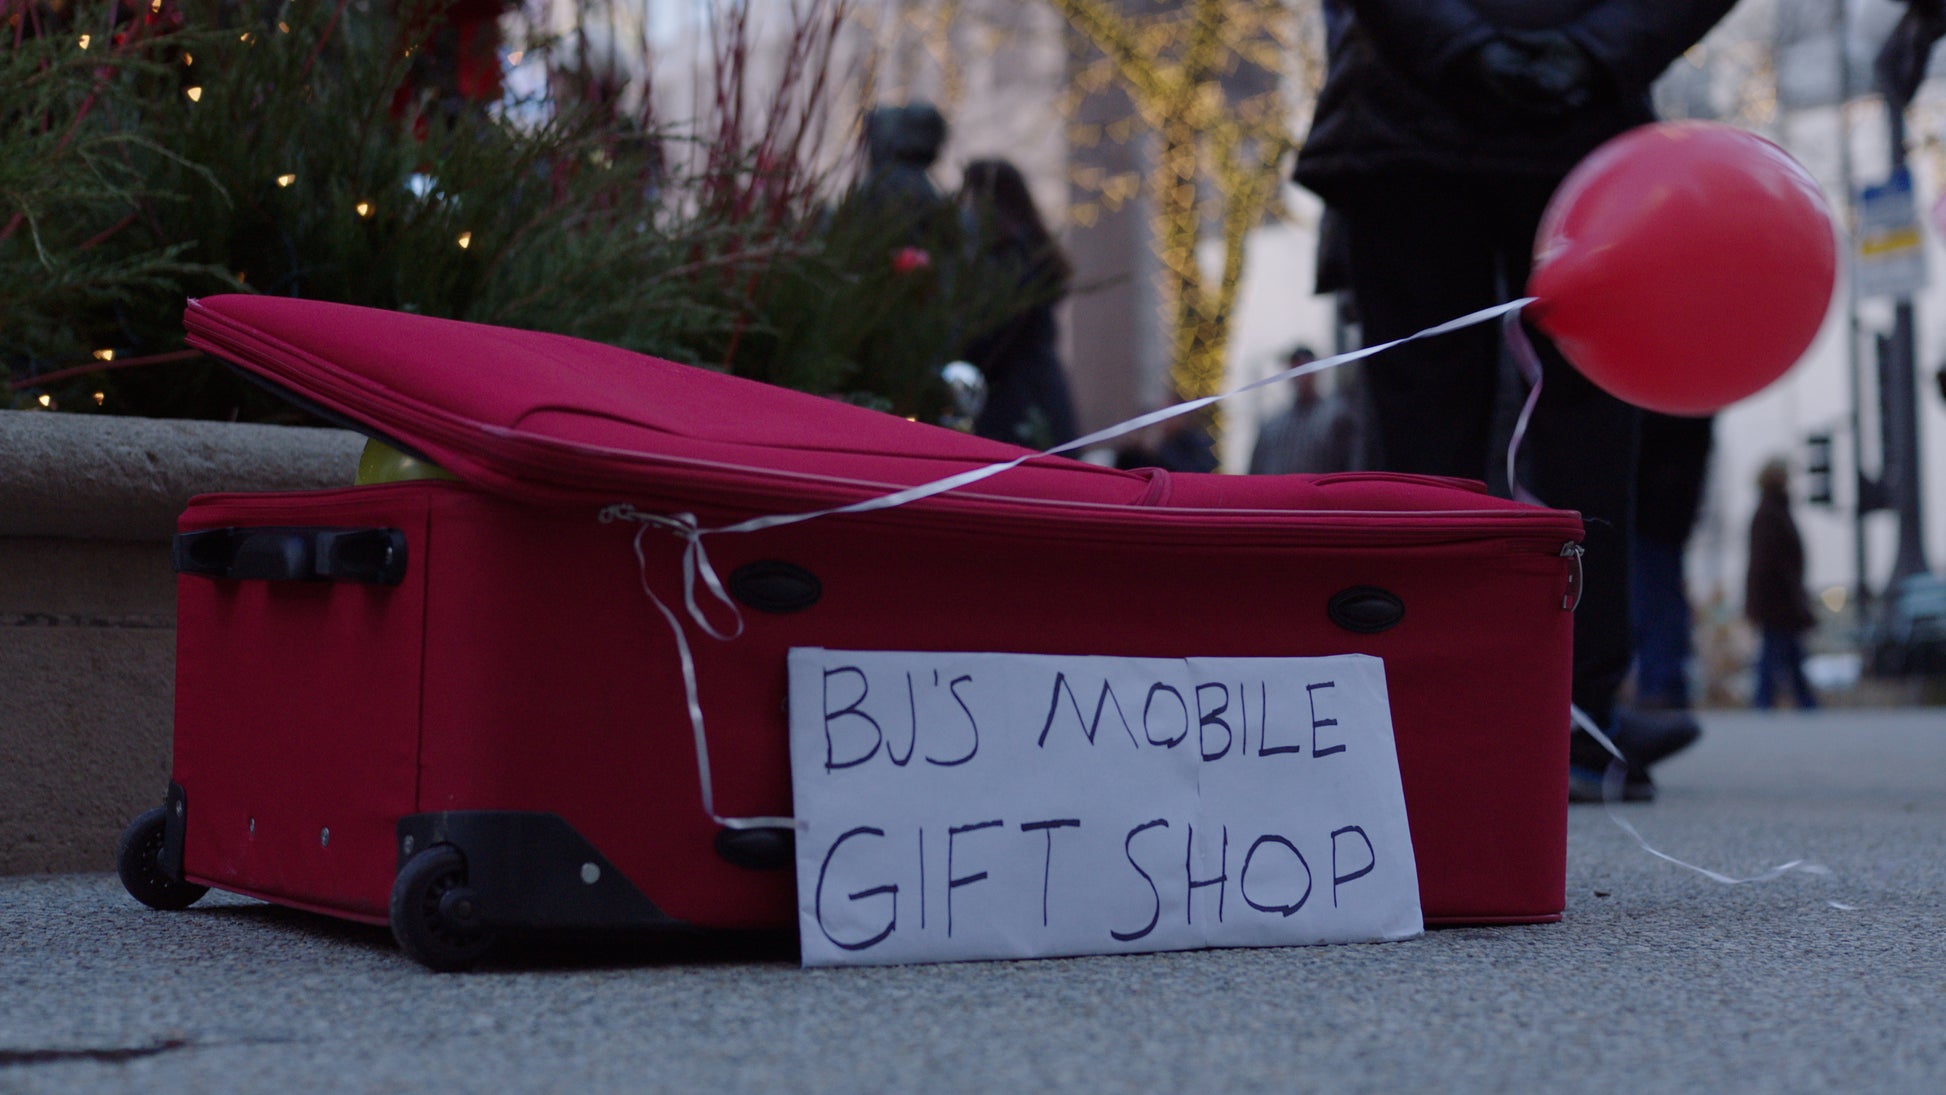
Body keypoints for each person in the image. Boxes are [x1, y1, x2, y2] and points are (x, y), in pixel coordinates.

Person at [1292, 1, 1734, 801]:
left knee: (1426, 431)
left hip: (1408, 101)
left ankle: (1424, 706)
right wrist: (1596, 51)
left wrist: (1459, 46)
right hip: (1569, 117)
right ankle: (1577, 709)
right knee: (1587, 418)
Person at [958, 159, 1081, 450]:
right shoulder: (1029, 252)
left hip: (1017, 404)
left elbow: (996, 333)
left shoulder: (1011, 259)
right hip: (1037, 397)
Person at [1630, 412, 1714, 710]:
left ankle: (1661, 684)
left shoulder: (1662, 404)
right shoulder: (1694, 401)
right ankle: (1664, 682)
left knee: (1653, 600)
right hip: (1670, 513)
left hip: (1651, 511)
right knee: (1662, 597)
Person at [1745, 458, 1820, 710]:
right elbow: (1769, 565)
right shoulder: (1770, 514)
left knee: (1785, 654)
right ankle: (1771, 702)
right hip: (1778, 601)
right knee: (1778, 654)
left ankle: (1795, 702)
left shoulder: (1771, 512)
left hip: (1778, 600)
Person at [1249, 346, 1364, 475]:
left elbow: (1353, 465)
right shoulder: (1272, 426)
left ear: (1315, 371)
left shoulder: (1336, 417)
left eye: (1304, 369)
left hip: (1322, 493)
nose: (1300, 377)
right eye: (1294, 369)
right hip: (1280, 494)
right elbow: (1256, 471)